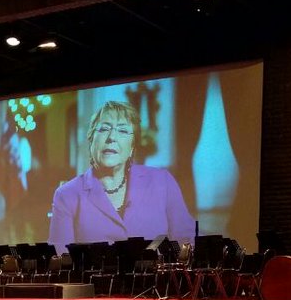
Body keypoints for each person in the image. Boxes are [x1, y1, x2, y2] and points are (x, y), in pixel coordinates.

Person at [47, 101, 195, 248]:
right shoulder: (66, 195)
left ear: (131, 148)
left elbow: (187, 240)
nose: (112, 137)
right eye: (104, 129)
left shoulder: (162, 181)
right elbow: (60, 258)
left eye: (123, 131)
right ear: (91, 141)